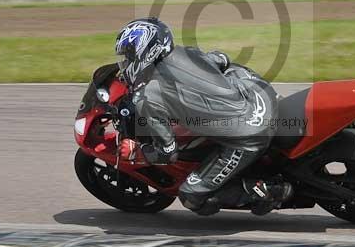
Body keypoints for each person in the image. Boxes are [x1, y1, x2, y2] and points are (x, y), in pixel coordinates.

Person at [114, 17, 293, 216]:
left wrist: (138, 152)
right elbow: (221, 59)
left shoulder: (148, 97)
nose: (125, 62)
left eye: (128, 56)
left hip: (250, 132)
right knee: (232, 70)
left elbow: (168, 153)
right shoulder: (186, 52)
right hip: (260, 92)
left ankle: (268, 191)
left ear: (145, 52)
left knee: (191, 196)